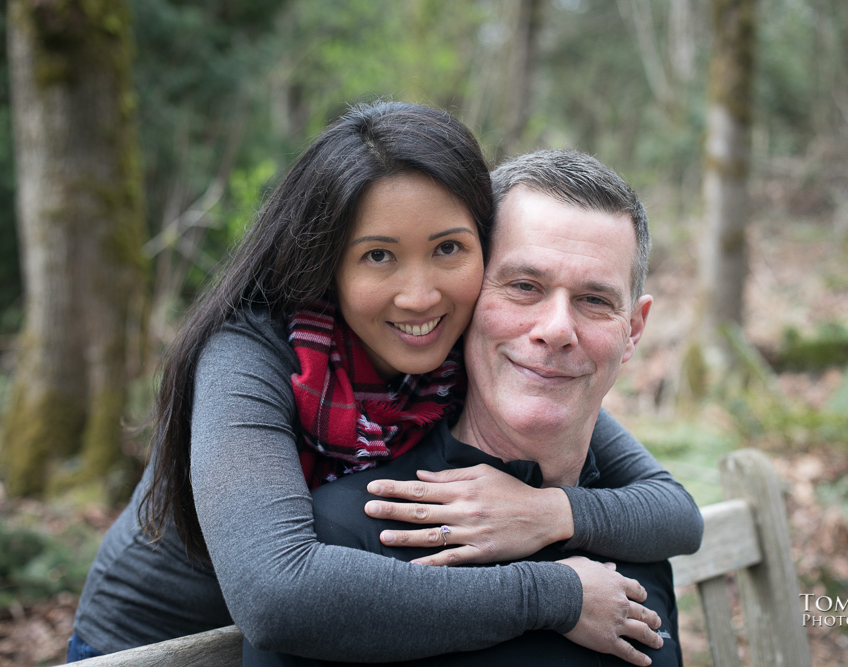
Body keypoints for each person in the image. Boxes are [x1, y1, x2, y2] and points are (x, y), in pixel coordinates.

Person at [69, 102, 703, 663]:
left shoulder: (472, 339)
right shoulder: (252, 357)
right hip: (152, 644)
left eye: (448, 249)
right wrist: (554, 593)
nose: (419, 293)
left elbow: (674, 513)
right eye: (379, 255)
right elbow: (277, 595)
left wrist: (544, 512)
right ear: (328, 261)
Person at [243, 149, 685, 667]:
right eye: (524, 286)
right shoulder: (346, 538)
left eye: (595, 301)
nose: (558, 330)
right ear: (471, 296)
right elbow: (278, 601)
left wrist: (554, 514)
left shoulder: (635, 536)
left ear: (633, 329)